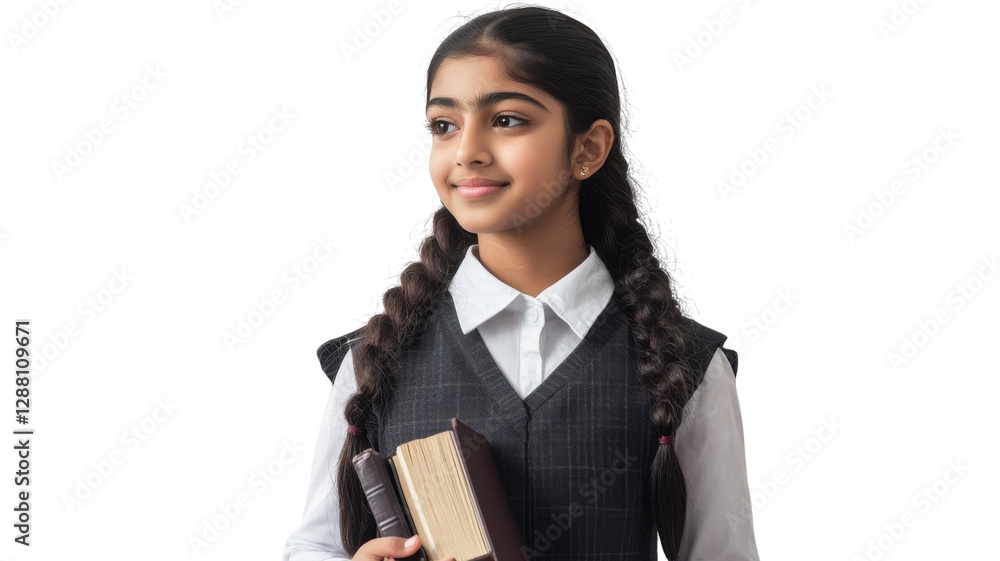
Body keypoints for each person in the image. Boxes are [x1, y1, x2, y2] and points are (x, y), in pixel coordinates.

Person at [283, 5, 760, 561]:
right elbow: (314, 546)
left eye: (507, 120)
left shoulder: (688, 365)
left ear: (588, 148)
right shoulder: (371, 359)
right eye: (445, 125)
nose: (467, 152)